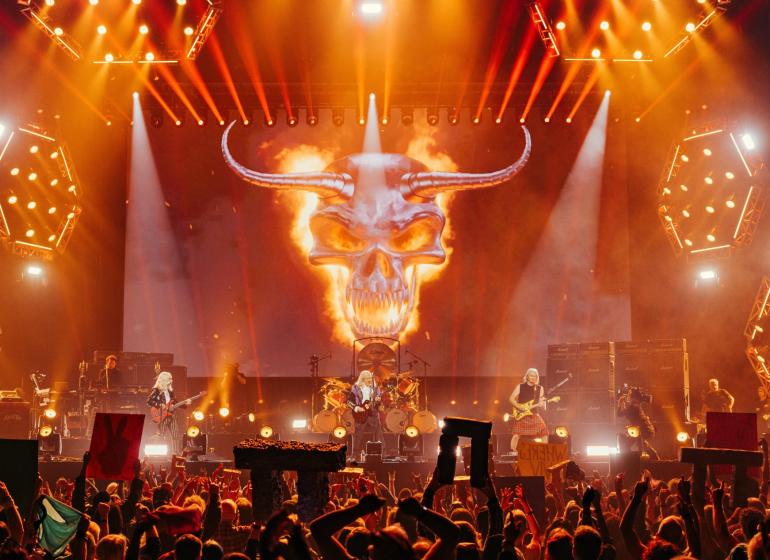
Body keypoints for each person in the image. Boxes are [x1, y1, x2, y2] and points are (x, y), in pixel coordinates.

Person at [509, 368, 548, 452]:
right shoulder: (520, 386)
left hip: (534, 414)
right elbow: (511, 398)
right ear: (527, 377)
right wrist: (518, 407)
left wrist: (543, 404)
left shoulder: (539, 388)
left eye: (535, 376)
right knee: (516, 435)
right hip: (522, 414)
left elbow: (541, 403)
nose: (533, 378)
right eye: (531, 376)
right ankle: (513, 453)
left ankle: (544, 452)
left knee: (544, 433)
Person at [348, 370, 383, 461]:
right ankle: (354, 455)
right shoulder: (355, 388)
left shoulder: (376, 389)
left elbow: (378, 402)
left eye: (370, 380)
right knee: (358, 436)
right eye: (367, 380)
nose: (369, 382)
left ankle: (381, 455)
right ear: (362, 379)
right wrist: (356, 408)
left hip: (373, 414)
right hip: (360, 415)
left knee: (378, 435)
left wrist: (378, 400)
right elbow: (349, 402)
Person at [617, 386, 659, 460]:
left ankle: (654, 459)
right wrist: (620, 403)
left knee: (641, 445)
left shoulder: (634, 405)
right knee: (634, 444)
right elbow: (619, 414)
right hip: (637, 429)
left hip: (644, 428)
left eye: (629, 395)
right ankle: (632, 460)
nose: (627, 396)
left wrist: (621, 403)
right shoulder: (631, 405)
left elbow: (622, 413)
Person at [147, 371, 179, 451]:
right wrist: (160, 404)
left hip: (171, 415)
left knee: (176, 435)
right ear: (163, 380)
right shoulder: (157, 390)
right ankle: (154, 449)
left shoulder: (170, 392)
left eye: (171, 379)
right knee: (161, 435)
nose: (171, 381)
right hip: (162, 415)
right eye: (169, 379)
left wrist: (186, 404)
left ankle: (175, 454)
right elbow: (149, 401)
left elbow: (175, 402)